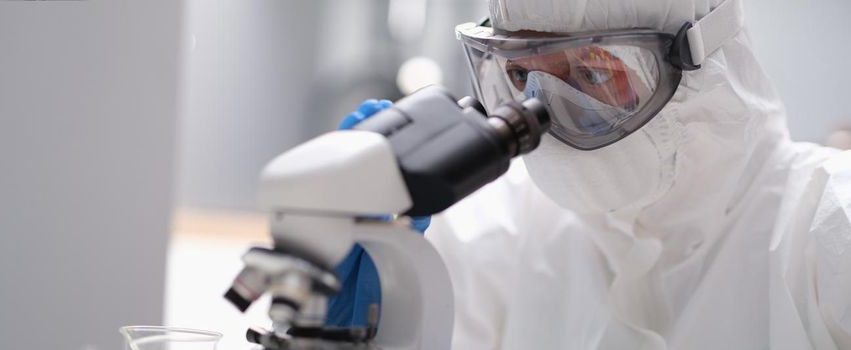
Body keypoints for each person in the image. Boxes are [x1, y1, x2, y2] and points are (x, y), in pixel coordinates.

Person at [327, 0, 851, 348]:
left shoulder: (828, 229)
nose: (544, 112)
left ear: (702, 61)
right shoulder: (492, 232)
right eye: (519, 73)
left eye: (594, 72)